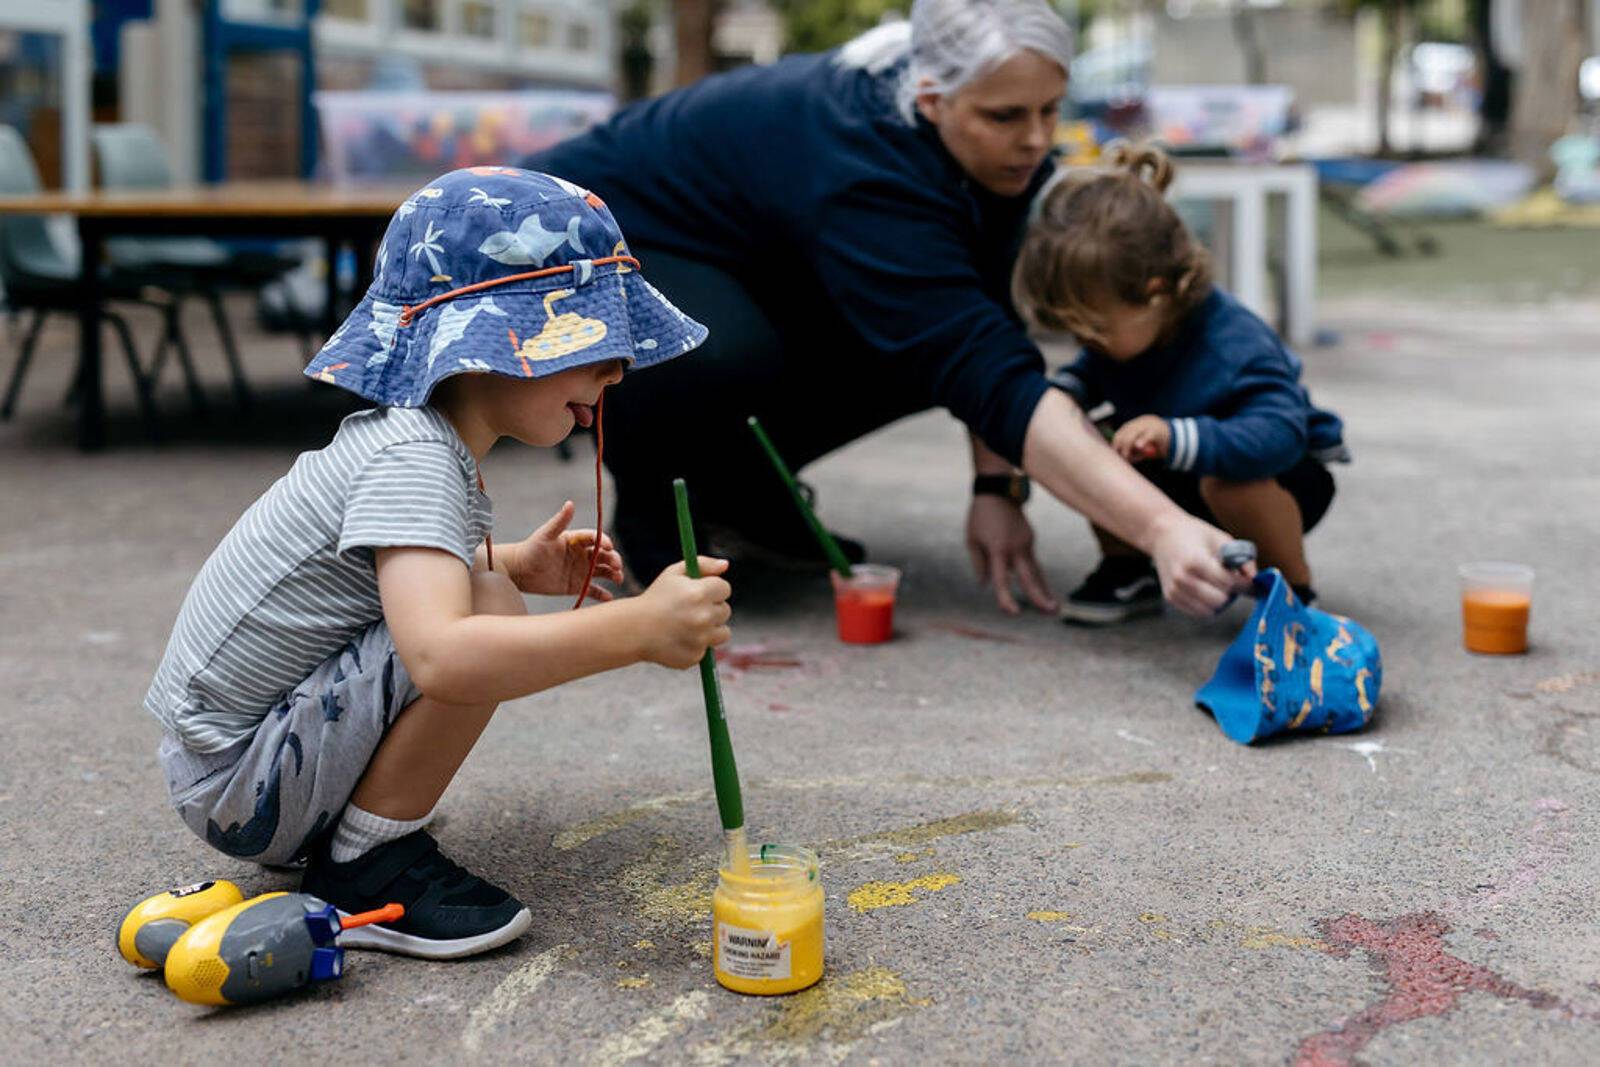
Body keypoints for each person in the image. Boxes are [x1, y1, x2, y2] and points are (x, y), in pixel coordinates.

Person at [144, 168, 732, 959]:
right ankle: (364, 861)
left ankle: (350, 823)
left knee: (489, 585)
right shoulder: (413, 458)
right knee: (482, 612)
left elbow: (390, 564)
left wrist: (516, 559)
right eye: (591, 341)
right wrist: (640, 628)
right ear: (489, 344)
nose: (618, 368)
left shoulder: (413, 443)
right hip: (239, 784)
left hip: (233, 761)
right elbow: (442, 656)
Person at [523, 0, 1246, 618]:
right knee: (721, 349)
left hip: (735, 249)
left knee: (911, 349)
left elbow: (982, 316)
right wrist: (1162, 528)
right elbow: (980, 364)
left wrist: (997, 486)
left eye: (1050, 110)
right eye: (1005, 115)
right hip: (571, 241)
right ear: (932, 99)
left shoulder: (988, 143)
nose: (1034, 138)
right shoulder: (867, 166)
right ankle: (659, 519)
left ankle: (744, 495)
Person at [1013, 143, 1349, 625]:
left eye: (1096, 331)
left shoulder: (1234, 345)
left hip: (1275, 479)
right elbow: (1093, 369)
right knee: (1088, 445)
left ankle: (1291, 592)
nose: (1088, 343)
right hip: (1176, 472)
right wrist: (1064, 398)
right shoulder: (1126, 335)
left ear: (1155, 291)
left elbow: (1280, 436)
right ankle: (1128, 567)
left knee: (1230, 482)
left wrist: (1177, 436)